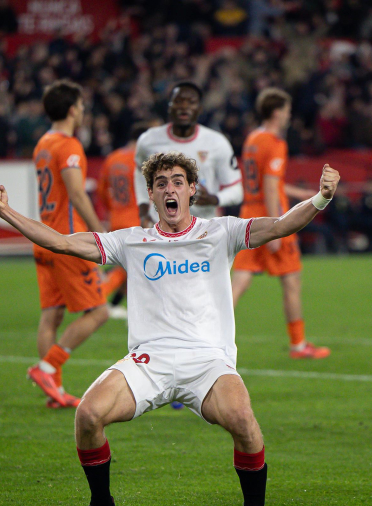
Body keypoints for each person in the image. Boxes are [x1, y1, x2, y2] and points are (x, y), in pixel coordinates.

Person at [0, 151, 340, 506]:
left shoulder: (222, 231)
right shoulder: (130, 241)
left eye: (176, 182)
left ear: (192, 190)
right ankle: (101, 505)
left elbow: (282, 225)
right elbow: (62, 243)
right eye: (160, 184)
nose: (169, 189)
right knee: (87, 415)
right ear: (152, 196)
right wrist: (8, 213)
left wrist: (321, 197)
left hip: (209, 362)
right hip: (148, 362)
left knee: (244, 421)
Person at [27, 80, 108, 409]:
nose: (84, 110)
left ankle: (54, 391)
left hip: (44, 238)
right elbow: (76, 193)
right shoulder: (69, 145)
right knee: (99, 312)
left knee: (51, 316)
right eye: (82, 105)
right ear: (73, 109)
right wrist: (98, 233)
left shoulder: (43, 144)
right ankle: (48, 368)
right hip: (68, 241)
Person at [232, 88, 330, 359]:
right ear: (277, 112)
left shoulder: (252, 138)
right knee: (291, 280)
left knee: (239, 281)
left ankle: (207, 338)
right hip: (271, 217)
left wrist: (302, 194)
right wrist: (277, 231)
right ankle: (298, 344)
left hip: (247, 216)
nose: (289, 114)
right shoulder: (275, 143)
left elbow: (269, 182)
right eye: (286, 110)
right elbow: (270, 189)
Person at [134, 82, 242, 228]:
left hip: (203, 230)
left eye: (191, 102)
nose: (184, 107)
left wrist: (215, 199)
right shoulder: (148, 140)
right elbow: (140, 173)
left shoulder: (217, 142)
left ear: (200, 108)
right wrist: (143, 211)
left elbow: (236, 190)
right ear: (169, 106)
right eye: (178, 101)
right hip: (161, 228)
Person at [96, 122, 156, 320]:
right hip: (136, 219)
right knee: (127, 267)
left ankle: (116, 305)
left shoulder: (112, 158)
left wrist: (112, 210)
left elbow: (102, 190)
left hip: (117, 217)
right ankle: (97, 298)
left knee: (131, 267)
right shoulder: (142, 160)